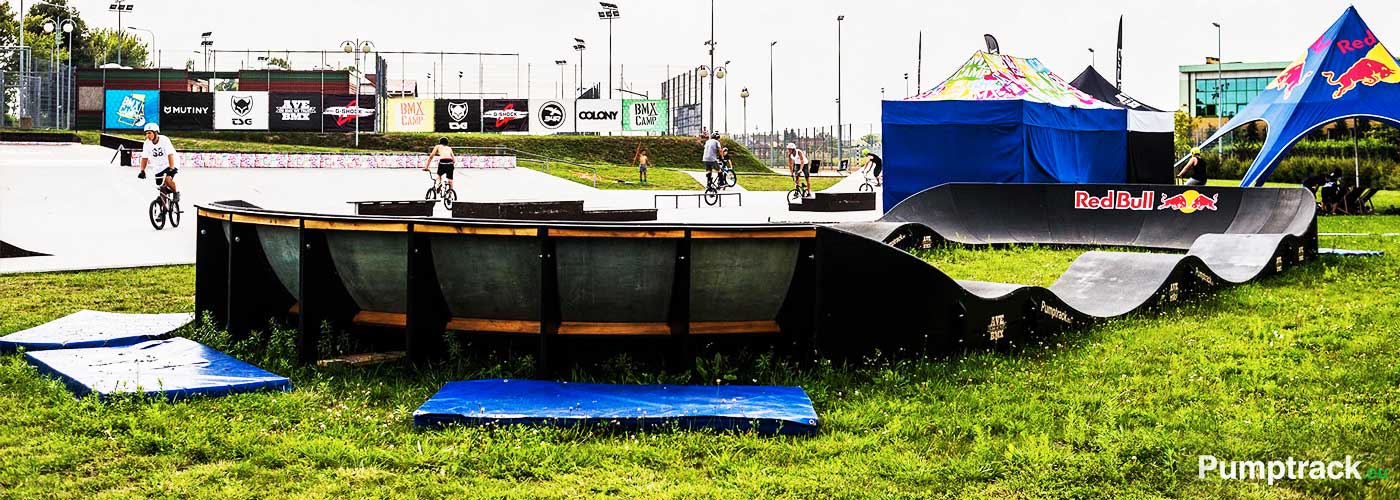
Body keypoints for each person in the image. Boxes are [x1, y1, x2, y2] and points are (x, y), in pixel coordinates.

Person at [136, 122, 179, 208]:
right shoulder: (147, 144)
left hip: (170, 163)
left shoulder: (164, 140)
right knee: (162, 188)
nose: (147, 135)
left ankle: (176, 193)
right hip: (158, 167)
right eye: (146, 133)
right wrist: (142, 171)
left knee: (167, 179)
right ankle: (163, 211)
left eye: (149, 133)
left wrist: (171, 168)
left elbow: (170, 154)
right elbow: (144, 158)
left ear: (156, 133)